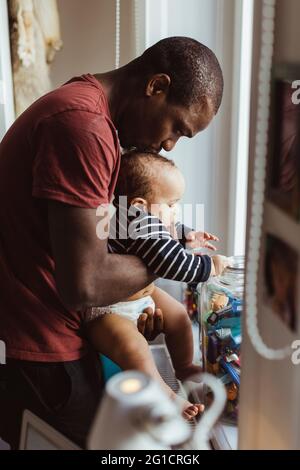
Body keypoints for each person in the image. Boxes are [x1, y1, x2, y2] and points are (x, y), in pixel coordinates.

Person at [0, 36, 223, 448]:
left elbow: (99, 248)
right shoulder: (83, 127)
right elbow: (84, 283)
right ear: (156, 86)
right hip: (38, 345)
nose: (170, 145)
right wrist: (174, 258)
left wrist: (140, 286)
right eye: (177, 128)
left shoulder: (86, 111)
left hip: (51, 331)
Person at [86, 151, 229, 420]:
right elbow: (167, 260)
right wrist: (208, 268)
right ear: (139, 205)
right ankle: (167, 395)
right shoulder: (140, 222)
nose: (176, 211)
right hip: (108, 310)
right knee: (134, 350)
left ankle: (184, 365)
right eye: (173, 203)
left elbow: (166, 233)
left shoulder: (135, 218)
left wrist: (188, 236)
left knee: (177, 315)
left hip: (141, 296)